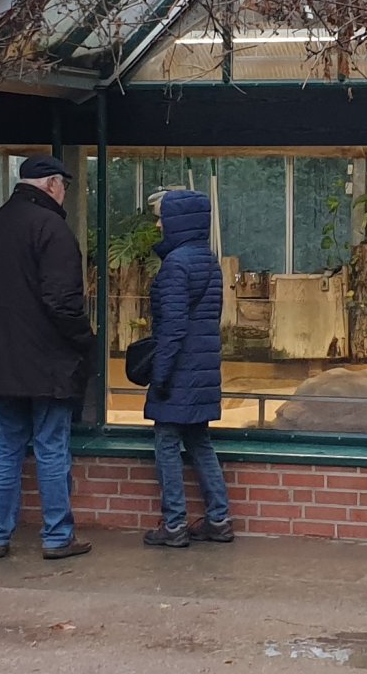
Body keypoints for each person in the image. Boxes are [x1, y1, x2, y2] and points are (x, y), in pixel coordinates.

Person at [0, 155, 96, 560]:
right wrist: (86, 340)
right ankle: (57, 536)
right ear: (50, 184)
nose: (65, 192)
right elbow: (63, 303)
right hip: (48, 364)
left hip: (1, 362)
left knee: (8, 445)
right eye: (63, 184)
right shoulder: (52, 229)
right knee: (50, 446)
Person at [142, 188, 233, 547]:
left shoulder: (177, 265)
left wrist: (159, 375)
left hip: (179, 371)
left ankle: (175, 524)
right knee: (199, 442)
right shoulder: (208, 260)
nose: (159, 223)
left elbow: (174, 327)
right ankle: (219, 519)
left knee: (166, 443)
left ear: (178, 221)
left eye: (163, 217)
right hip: (203, 369)